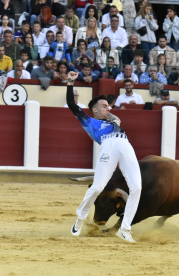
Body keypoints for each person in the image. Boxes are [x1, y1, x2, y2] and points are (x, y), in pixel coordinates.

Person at [67, 73, 142, 243]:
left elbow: (118, 119)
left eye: (109, 106)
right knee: (97, 186)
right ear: (94, 110)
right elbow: (72, 104)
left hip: (125, 145)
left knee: (137, 188)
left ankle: (125, 229)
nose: (108, 108)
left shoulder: (113, 122)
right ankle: (80, 219)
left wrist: (112, 116)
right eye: (104, 106)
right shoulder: (89, 121)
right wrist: (70, 82)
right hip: (108, 145)